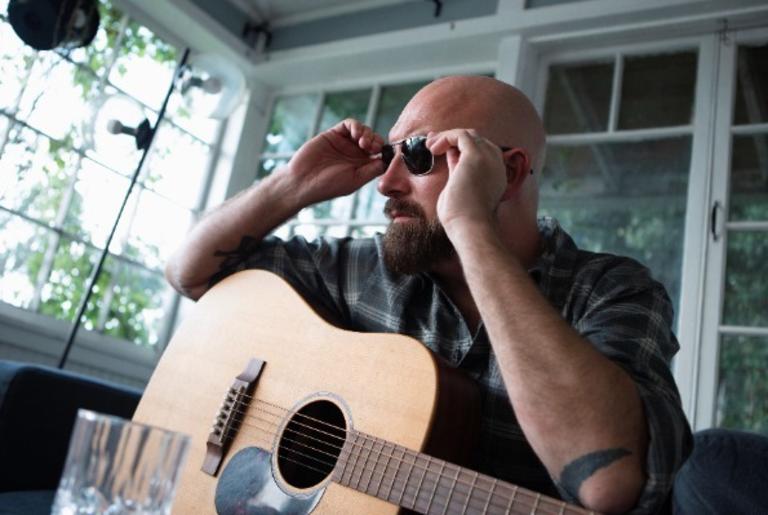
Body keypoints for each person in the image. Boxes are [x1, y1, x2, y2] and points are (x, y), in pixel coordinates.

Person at [166, 76, 691, 514]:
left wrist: (470, 227)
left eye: (418, 155)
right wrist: (292, 183)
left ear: (508, 173)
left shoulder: (611, 290)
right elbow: (191, 275)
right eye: (388, 156)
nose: (385, 183)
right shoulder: (364, 270)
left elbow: (610, 483)